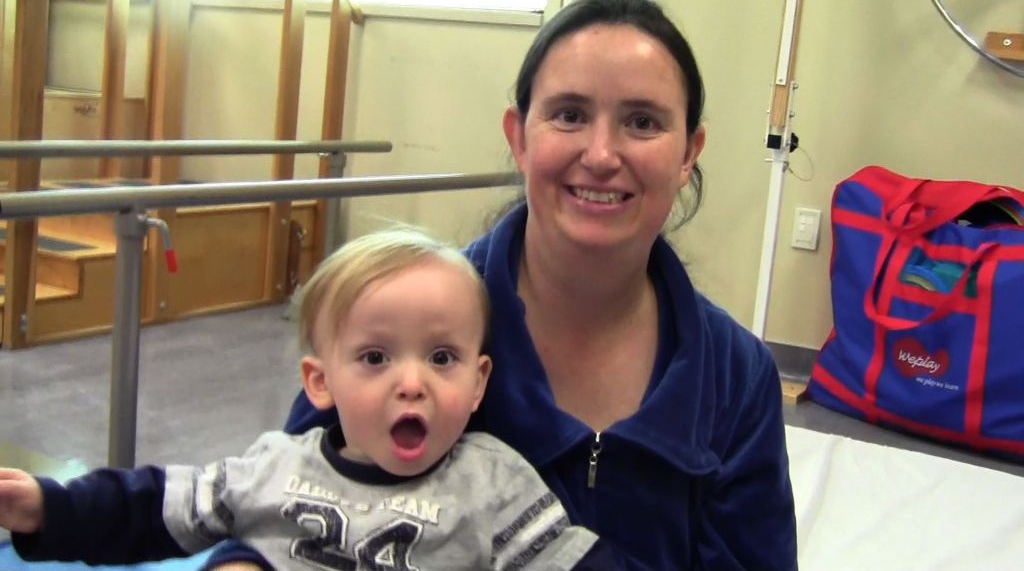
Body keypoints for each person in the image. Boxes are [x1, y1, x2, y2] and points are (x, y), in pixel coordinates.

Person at [210, 0, 799, 569]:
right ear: (519, 137)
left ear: (688, 152)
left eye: (642, 122)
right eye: (569, 115)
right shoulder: (398, 317)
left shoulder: (734, 375)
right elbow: (278, 515)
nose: (601, 154)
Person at [0, 229, 617, 570]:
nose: (412, 383)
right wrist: (47, 508)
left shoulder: (494, 485)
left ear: (479, 382)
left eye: (441, 358)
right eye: (375, 358)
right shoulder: (277, 465)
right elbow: (153, 505)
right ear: (320, 383)